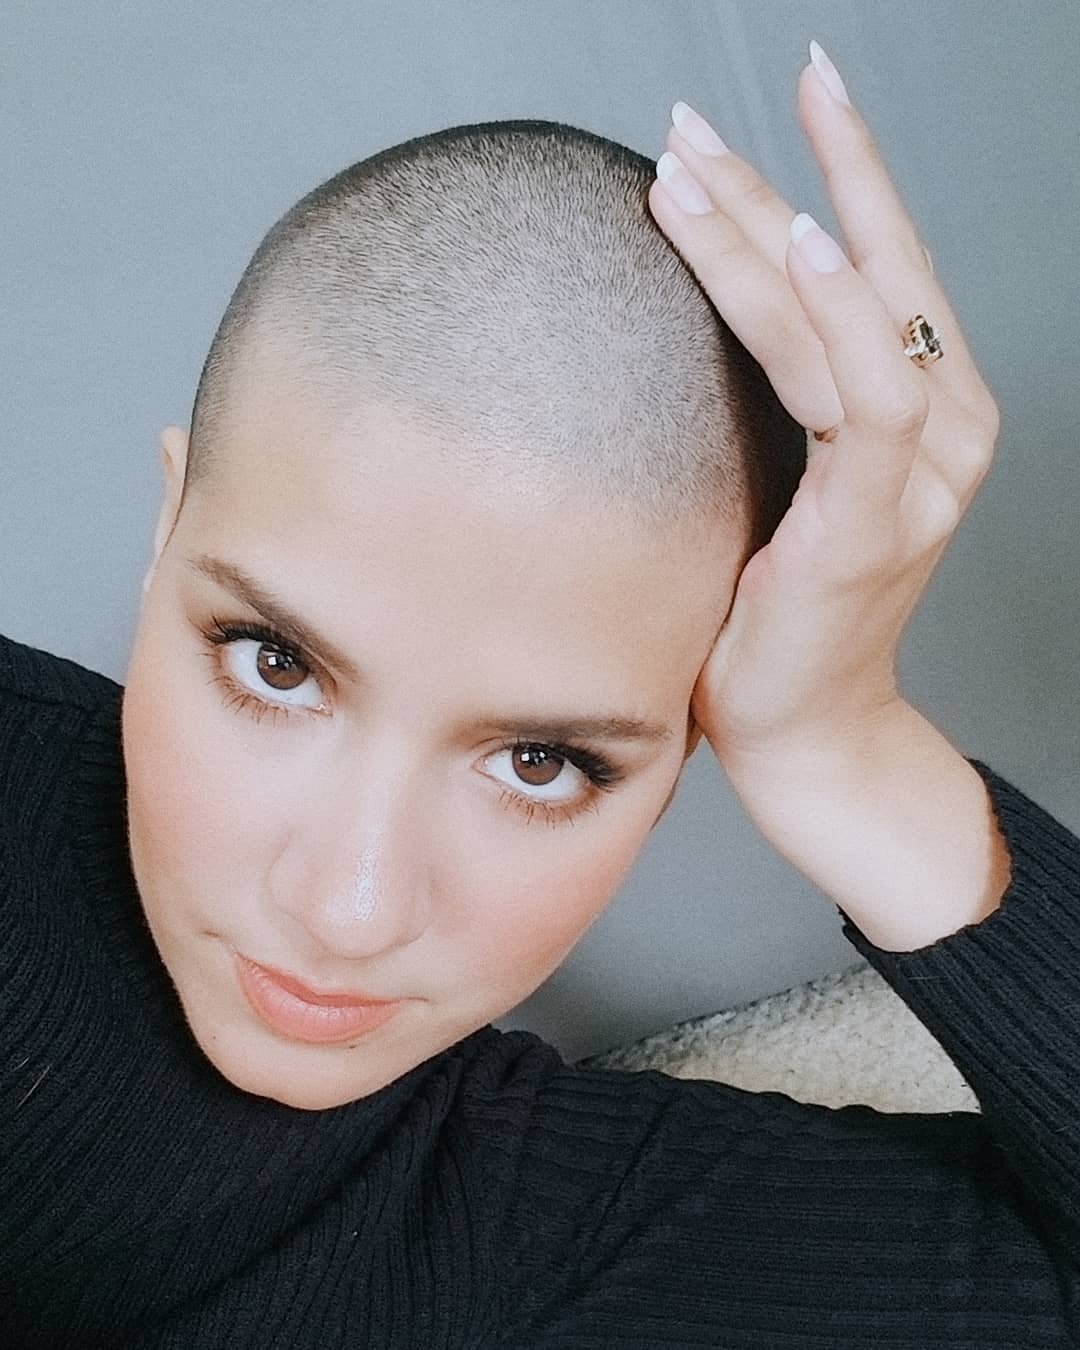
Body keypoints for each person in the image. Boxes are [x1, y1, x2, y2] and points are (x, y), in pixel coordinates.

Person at [2, 40, 1077, 1347]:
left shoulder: (538, 1215)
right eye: (276, 664)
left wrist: (846, 748)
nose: (347, 909)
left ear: (686, 746)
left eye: (542, 762)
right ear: (167, 529)